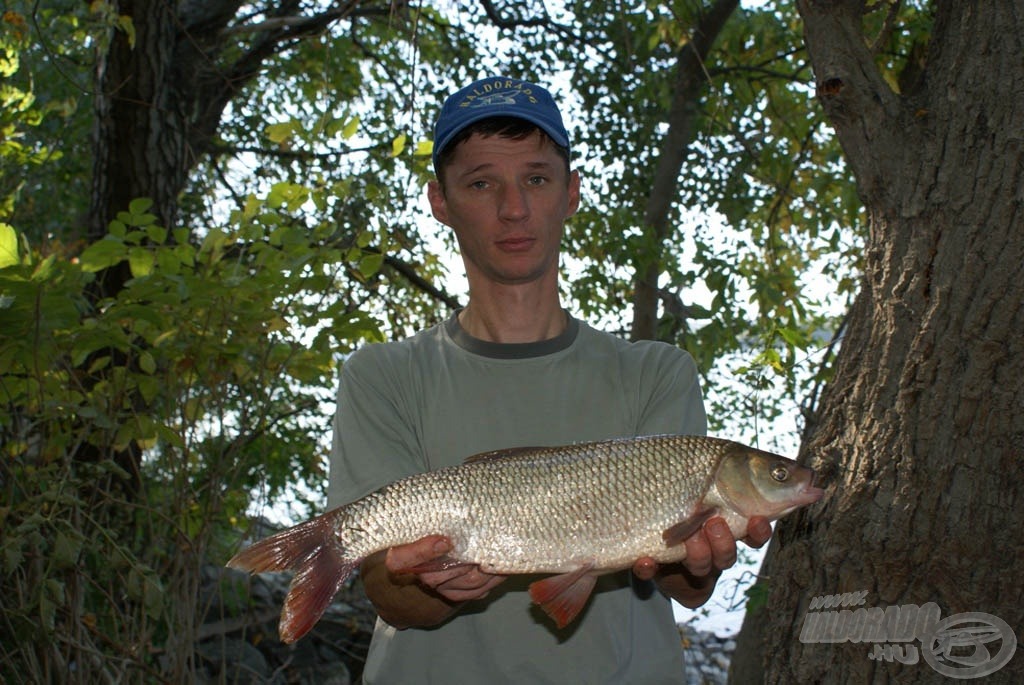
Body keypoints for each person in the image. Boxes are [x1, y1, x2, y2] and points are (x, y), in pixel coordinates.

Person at [327, 75, 772, 684]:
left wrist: (698, 561)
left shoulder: (656, 371)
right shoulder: (381, 377)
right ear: (441, 202)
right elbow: (390, 596)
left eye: (536, 179)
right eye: (482, 183)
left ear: (570, 193)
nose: (514, 208)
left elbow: (688, 589)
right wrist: (430, 585)